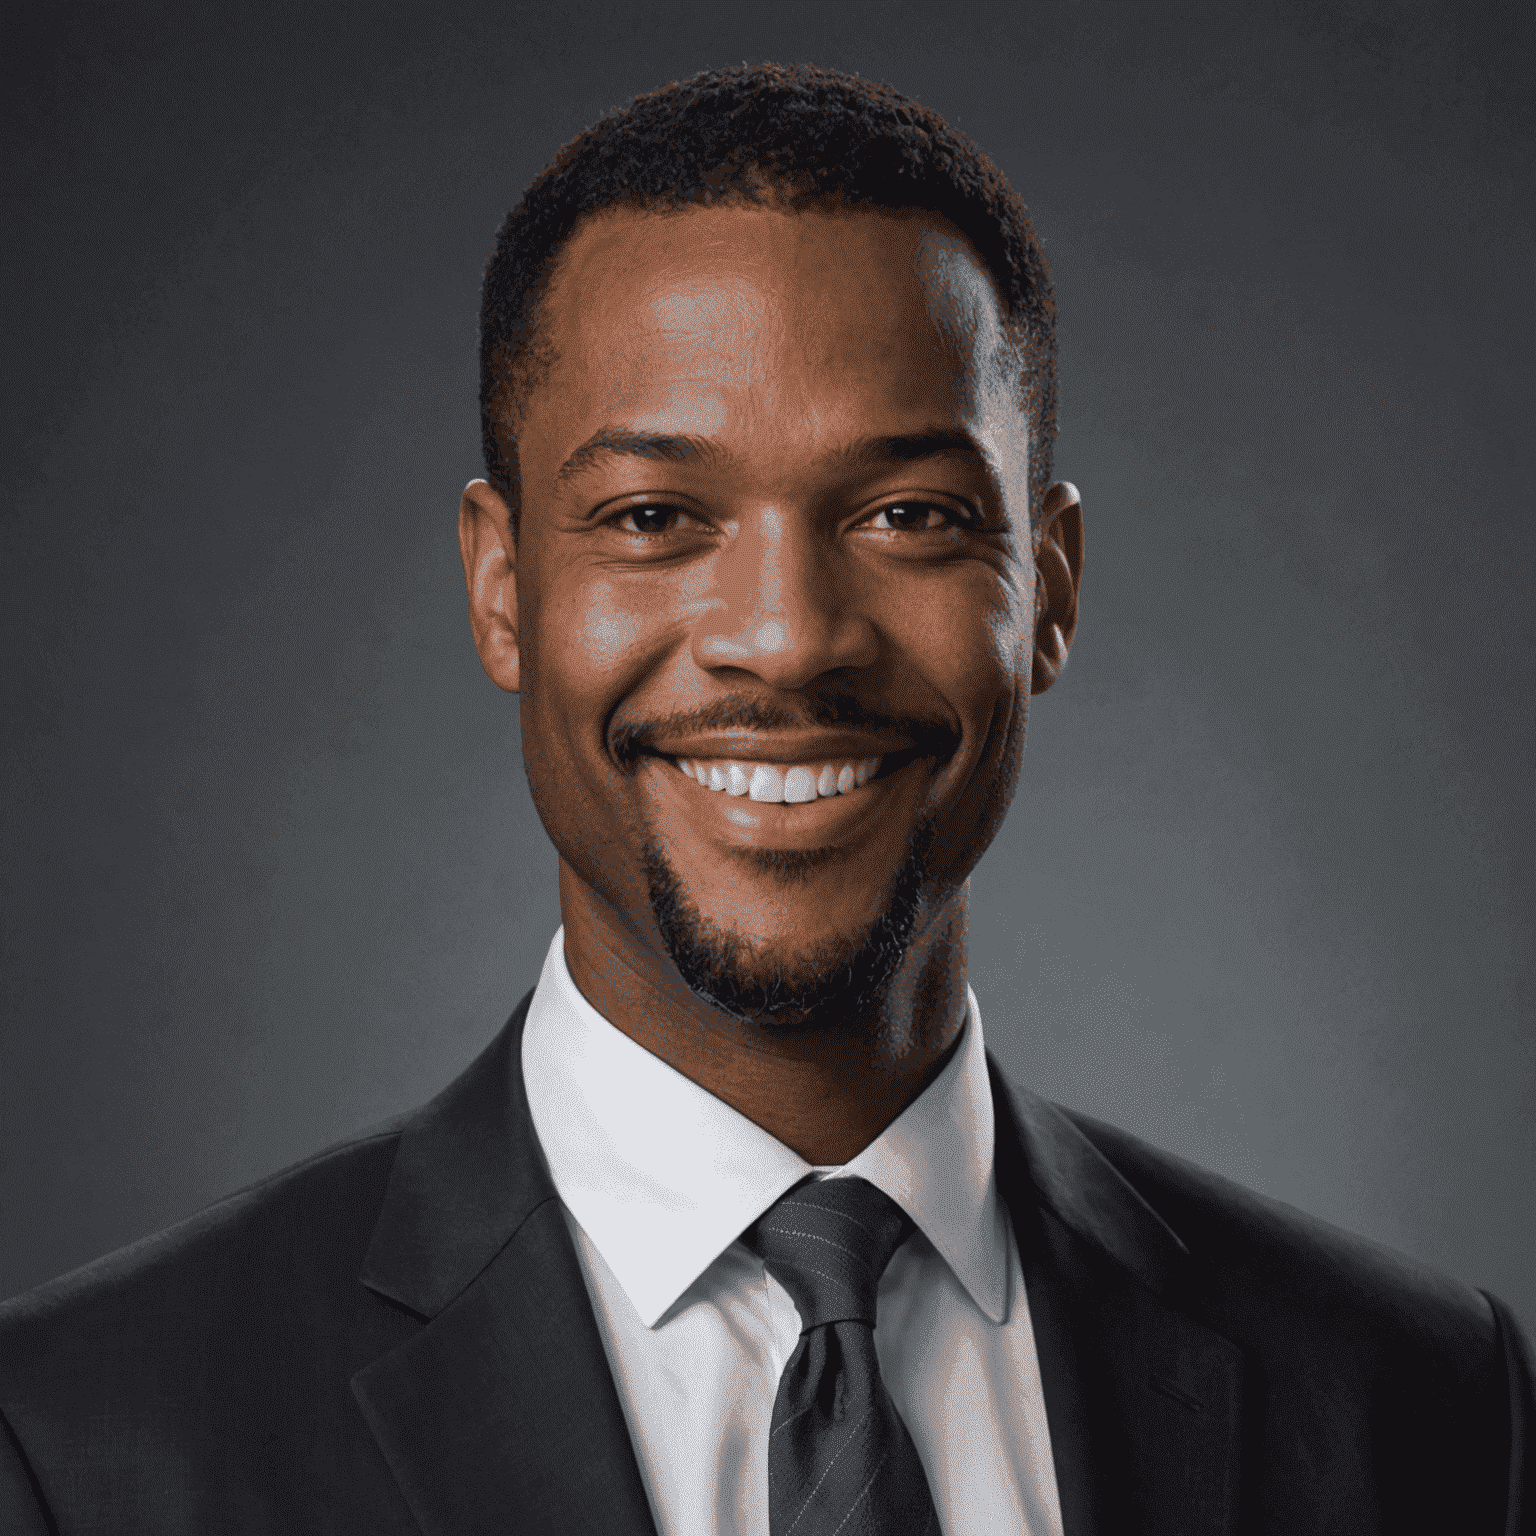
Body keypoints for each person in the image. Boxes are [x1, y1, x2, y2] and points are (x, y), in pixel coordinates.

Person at [0, 63, 1528, 1536]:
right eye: (657, 517)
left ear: (1047, 592)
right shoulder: (87, 1440)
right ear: (504, 585)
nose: (787, 635)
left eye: (909, 515)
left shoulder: (1423, 1406)